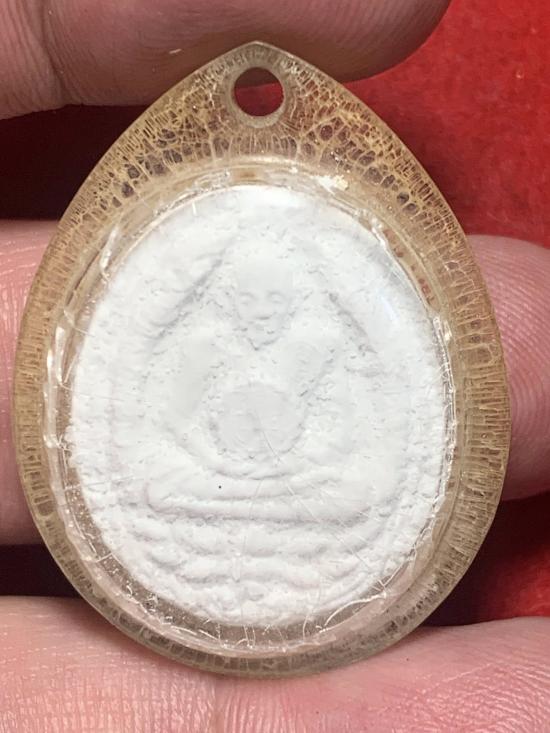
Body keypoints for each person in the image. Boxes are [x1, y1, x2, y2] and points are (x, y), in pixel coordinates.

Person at [0, 1, 549, 729]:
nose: (262, 312)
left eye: (276, 298)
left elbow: (362, 441)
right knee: (155, 483)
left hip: (302, 489)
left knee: (360, 491)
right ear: (225, 293)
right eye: (247, 296)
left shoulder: (320, 344)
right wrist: (213, 464)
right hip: (205, 488)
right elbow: (162, 434)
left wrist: (301, 465)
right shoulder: (198, 344)